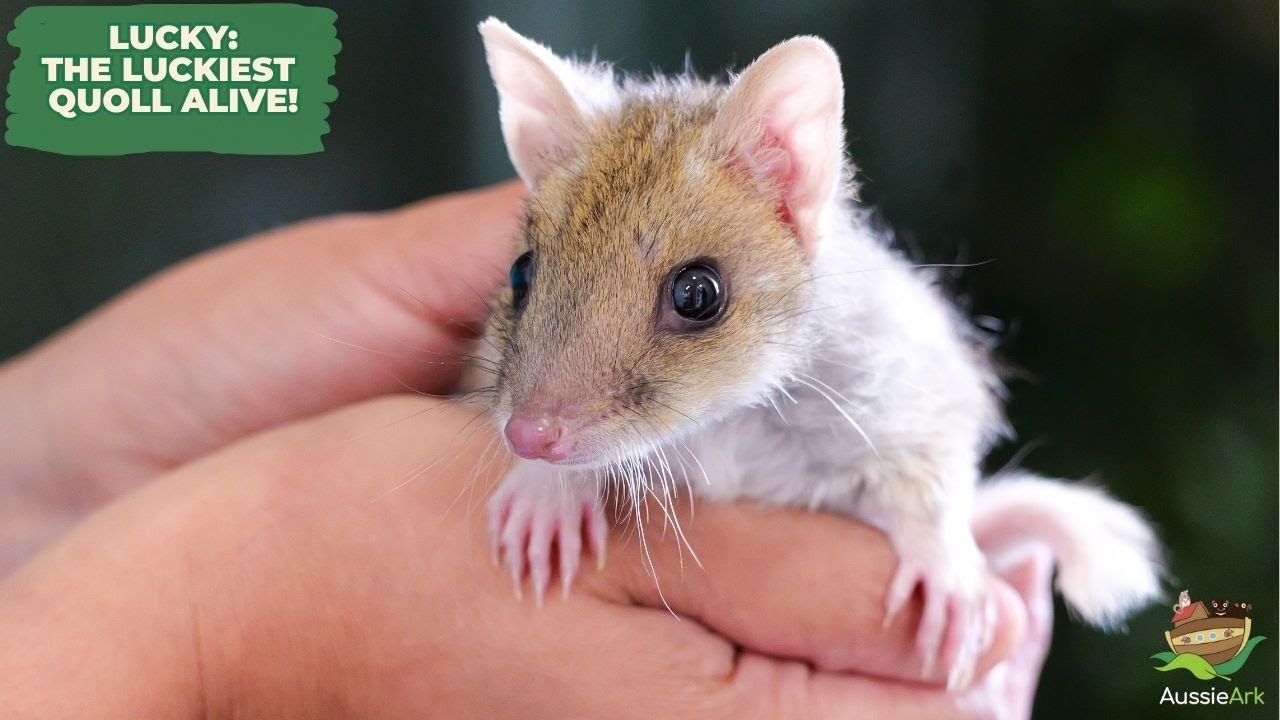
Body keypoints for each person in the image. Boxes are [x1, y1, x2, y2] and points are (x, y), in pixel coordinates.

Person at [0, 182, 1053, 718]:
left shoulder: (827, 301)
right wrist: (205, 624)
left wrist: (46, 471)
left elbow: (938, 407)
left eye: (689, 298)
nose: (536, 418)